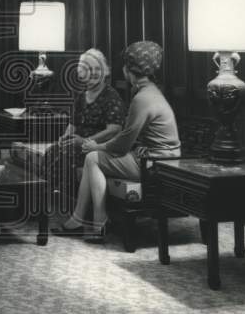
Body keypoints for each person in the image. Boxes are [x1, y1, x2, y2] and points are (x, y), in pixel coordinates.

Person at [59, 40, 180, 242]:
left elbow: (123, 141)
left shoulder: (142, 98)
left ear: (128, 70)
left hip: (156, 165)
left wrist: (96, 146)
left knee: (92, 158)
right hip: (157, 159)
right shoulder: (150, 92)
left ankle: (96, 222)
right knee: (93, 158)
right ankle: (86, 221)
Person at [39, 48, 126, 212]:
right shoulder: (81, 96)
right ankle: (49, 200)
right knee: (53, 151)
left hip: (98, 146)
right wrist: (64, 137)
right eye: (88, 69)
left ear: (104, 72)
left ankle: (75, 209)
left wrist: (86, 141)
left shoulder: (111, 96)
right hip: (77, 143)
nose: (93, 73)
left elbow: (114, 129)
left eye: (97, 69)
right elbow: (73, 123)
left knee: (67, 157)